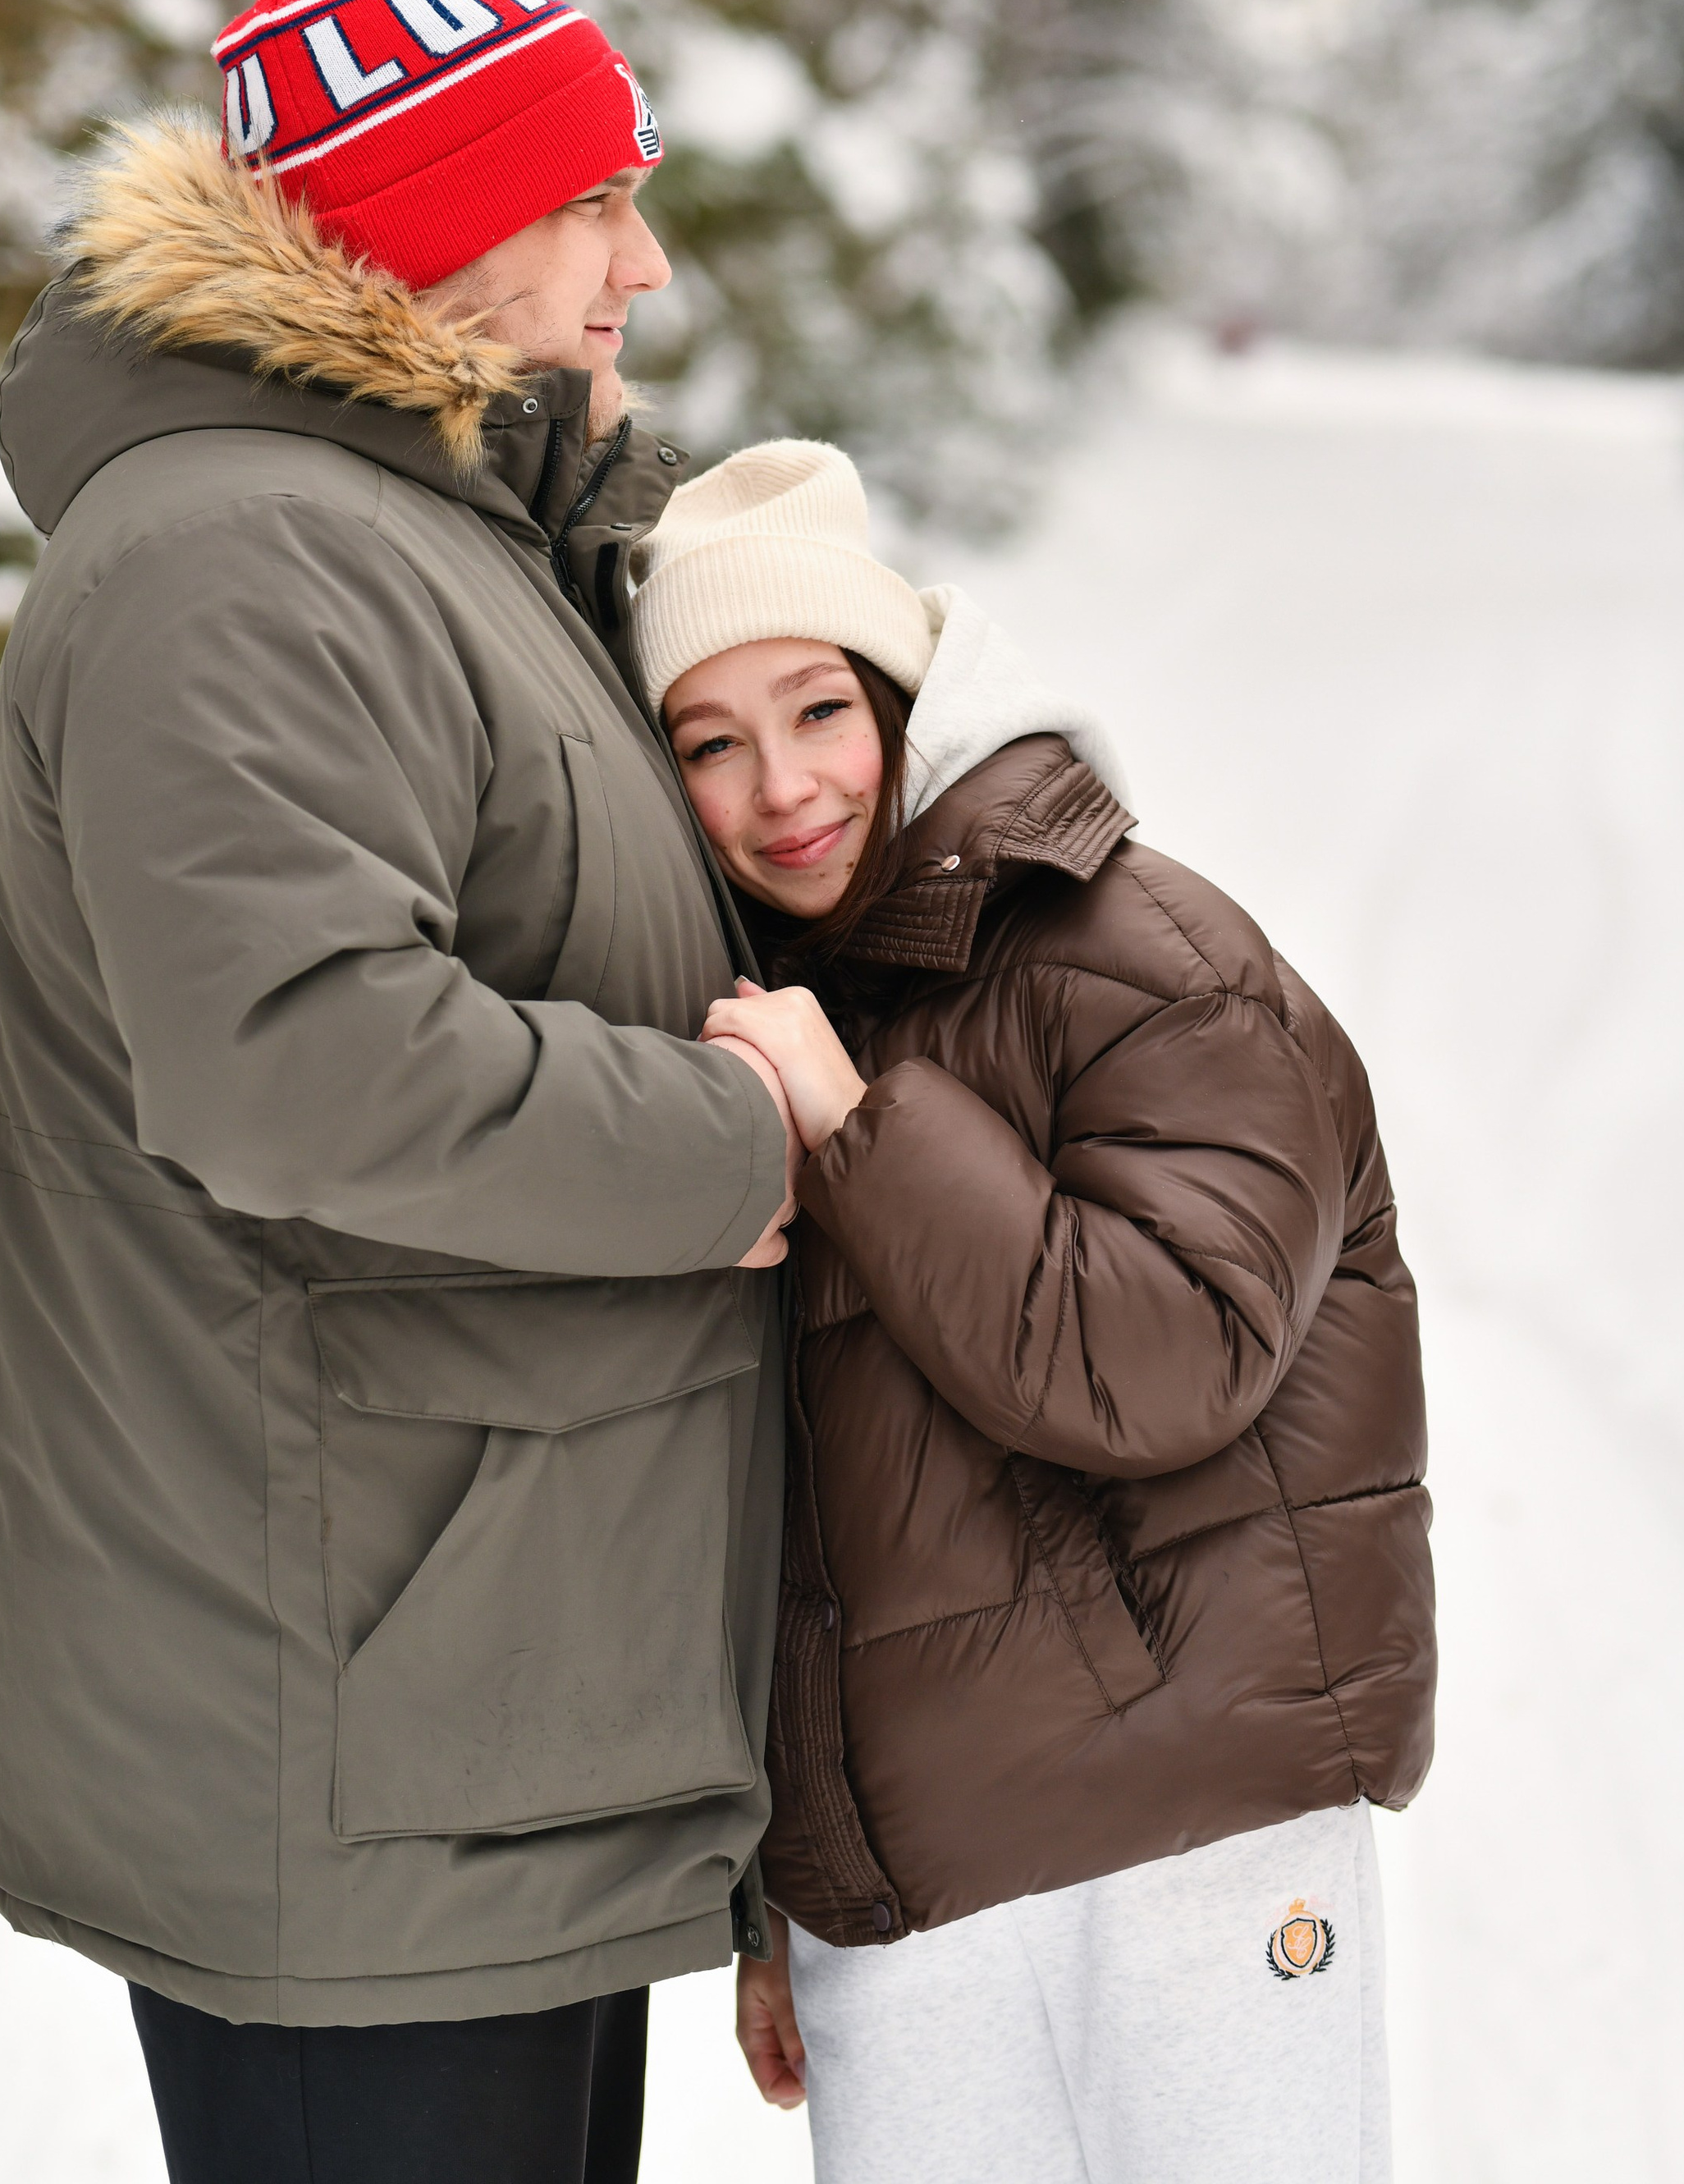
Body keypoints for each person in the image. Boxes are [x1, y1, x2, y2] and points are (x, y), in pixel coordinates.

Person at [0, 0, 801, 2184]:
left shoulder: (431, 538)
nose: (646, 269)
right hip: (344, 1722)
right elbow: (304, 1064)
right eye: (598, 202)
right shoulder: (243, 553)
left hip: (466, 1691)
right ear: (441, 226)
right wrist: (753, 1147)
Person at [629, 439, 1438, 2184]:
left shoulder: (1141, 955)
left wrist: (859, 1129)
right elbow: (777, 1517)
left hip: (1186, 1842)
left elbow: (1161, 1359)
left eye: (817, 709)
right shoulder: (749, 1035)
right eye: (709, 741)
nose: (782, 789)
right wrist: (782, 1890)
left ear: (905, 698)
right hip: (900, 1905)